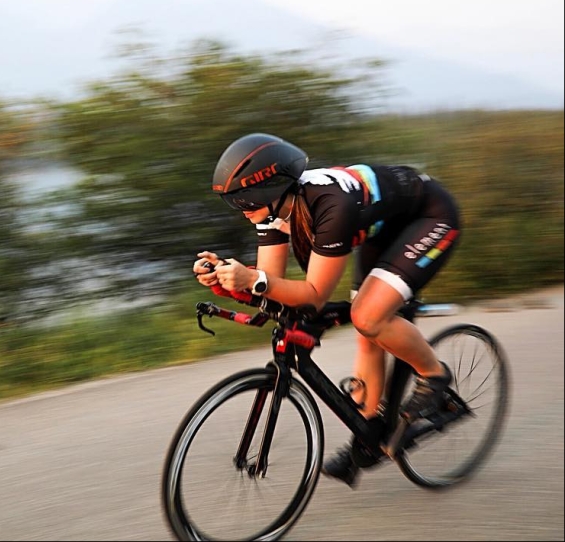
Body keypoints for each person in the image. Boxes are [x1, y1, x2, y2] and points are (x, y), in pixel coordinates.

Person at [193, 133, 461, 488]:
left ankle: (434, 376)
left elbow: (313, 296)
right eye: (233, 202)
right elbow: (272, 287)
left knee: (368, 317)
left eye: (245, 200)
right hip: (381, 230)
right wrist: (229, 281)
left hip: (429, 217)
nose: (242, 209)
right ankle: (367, 436)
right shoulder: (271, 209)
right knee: (367, 333)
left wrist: (253, 279)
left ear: (274, 188)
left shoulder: (330, 205)